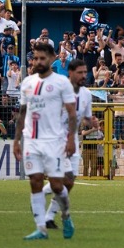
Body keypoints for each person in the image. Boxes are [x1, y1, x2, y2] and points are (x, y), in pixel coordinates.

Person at [13, 40, 78, 241]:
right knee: (35, 181)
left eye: (42, 58)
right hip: (31, 140)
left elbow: (72, 113)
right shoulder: (27, 83)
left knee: (58, 186)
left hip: (54, 141)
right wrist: (16, 141)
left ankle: (66, 215)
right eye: (35, 58)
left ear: (51, 59)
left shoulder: (61, 83)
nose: (38, 61)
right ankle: (41, 228)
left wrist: (70, 140)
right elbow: (23, 113)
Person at [46, 62, 93, 237]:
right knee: (62, 178)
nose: (83, 75)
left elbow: (86, 118)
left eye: (85, 72)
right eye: (80, 72)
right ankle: (45, 205)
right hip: (56, 139)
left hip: (72, 139)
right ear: (70, 73)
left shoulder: (87, 93)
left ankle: (49, 215)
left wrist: (91, 122)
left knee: (70, 182)